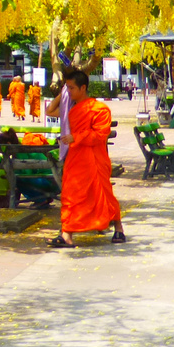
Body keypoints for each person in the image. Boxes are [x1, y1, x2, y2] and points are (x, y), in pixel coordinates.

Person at [50, 69, 125, 247]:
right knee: (70, 195)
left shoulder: (99, 109)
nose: (69, 91)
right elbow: (49, 110)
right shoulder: (70, 108)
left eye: (72, 88)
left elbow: (100, 134)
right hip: (75, 160)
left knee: (103, 194)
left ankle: (118, 228)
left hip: (94, 159)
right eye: (67, 88)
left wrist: (76, 137)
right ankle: (67, 234)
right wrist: (63, 93)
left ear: (83, 88)